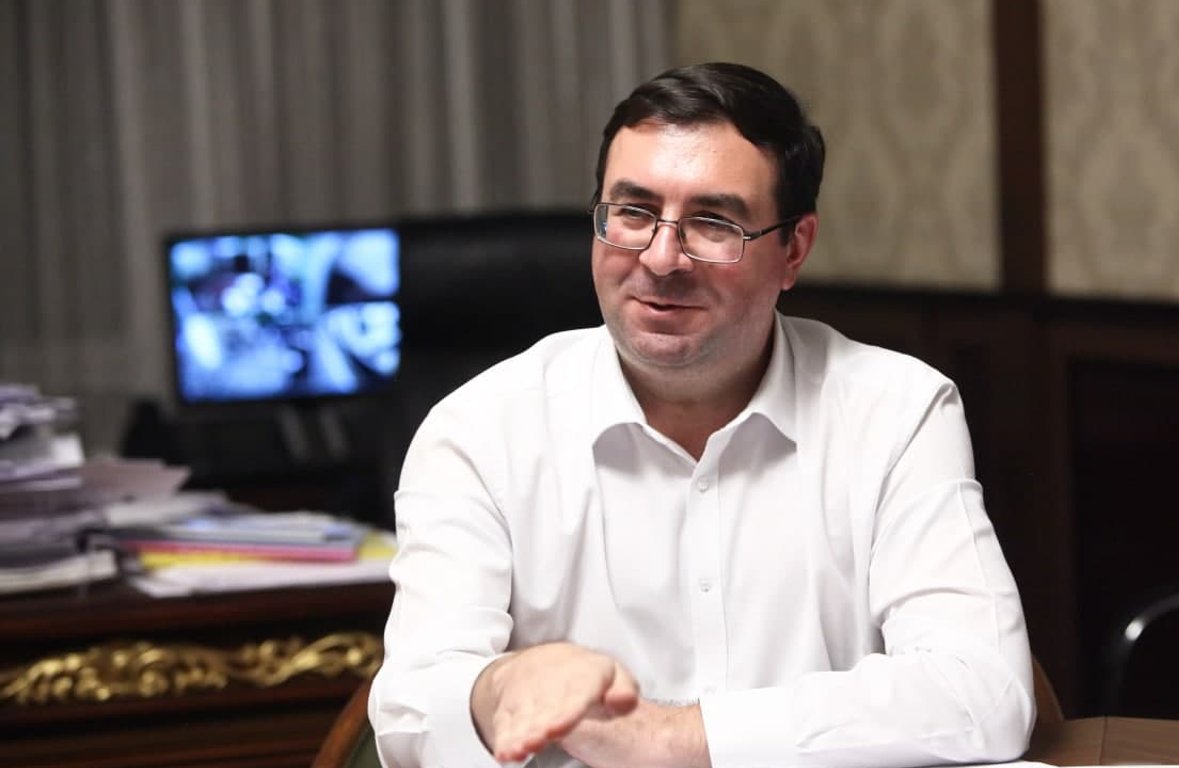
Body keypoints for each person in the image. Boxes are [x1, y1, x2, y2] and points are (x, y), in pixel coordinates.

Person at [369, 61, 1035, 767]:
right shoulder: (478, 431)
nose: (661, 258)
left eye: (713, 222)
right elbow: (410, 712)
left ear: (794, 249)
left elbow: (983, 692)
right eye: (633, 213)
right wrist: (497, 688)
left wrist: (674, 740)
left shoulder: (895, 411)